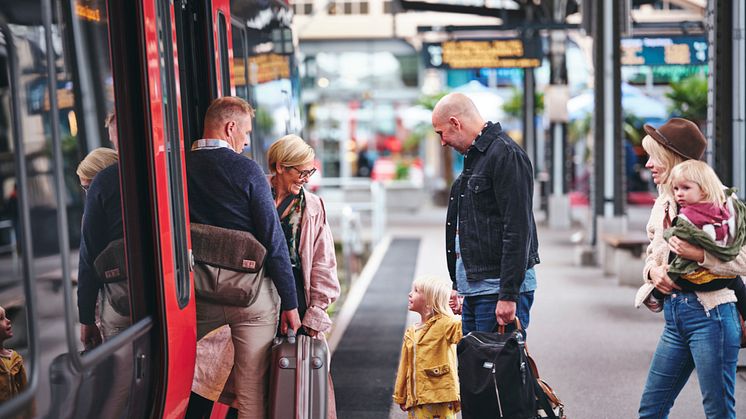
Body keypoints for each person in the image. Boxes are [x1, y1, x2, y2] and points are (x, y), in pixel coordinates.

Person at [186, 96, 300, 418]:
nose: (247, 140)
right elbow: (273, 240)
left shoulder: (177, 167)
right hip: (251, 298)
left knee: (196, 380)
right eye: (246, 131)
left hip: (200, 293)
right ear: (230, 127)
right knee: (251, 391)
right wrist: (290, 303)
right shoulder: (246, 170)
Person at [634, 118, 743, 418]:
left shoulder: (719, 199)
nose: (648, 166)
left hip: (712, 316)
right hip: (676, 318)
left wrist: (699, 254)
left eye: (654, 157)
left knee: (717, 412)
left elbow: (743, 259)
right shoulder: (665, 202)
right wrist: (653, 273)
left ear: (672, 158)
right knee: (651, 410)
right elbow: (653, 252)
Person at [431, 93, 539, 335]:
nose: (443, 142)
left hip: (496, 289)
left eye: (441, 133)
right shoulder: (476, 156)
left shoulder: (506, 154)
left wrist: (509, 295)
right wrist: (459, 285)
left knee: (496, 370)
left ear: (456, 123)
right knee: (476, 368)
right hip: (479, 289)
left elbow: (518, 229)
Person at [663, 160, 746, 322]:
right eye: (676, 189)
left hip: (711, 302)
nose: (679, 193)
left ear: (704, 190)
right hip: (680, 305)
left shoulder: (710, 210)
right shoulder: (669, 204)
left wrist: (699, 254)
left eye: (686, 188)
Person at [78, 117, 128, 348]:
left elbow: (88, 262)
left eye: (89, 188)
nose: (88, 196)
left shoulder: (101, 196)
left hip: (119, 299)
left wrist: (86, 319)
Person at [393, 275, 462, 419]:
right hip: (417, 400)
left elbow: (463, 331)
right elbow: (404, 367)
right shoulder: (411, 332)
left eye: (416, 291)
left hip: (440, 397)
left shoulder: (446, 324)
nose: (410, 293)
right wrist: (401, 395)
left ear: (430, 302)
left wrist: (464, 309)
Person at [0, 305, 28, 404]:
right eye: (1, 319)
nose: (8, 321)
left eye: (6, 317)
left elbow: (25, 390)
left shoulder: (15, 358)